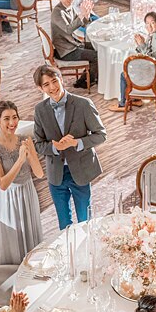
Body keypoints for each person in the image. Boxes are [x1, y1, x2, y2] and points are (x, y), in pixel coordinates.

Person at [32, 64, 106, 229]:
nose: (52, 87)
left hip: (80, 171)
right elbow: (38, 144)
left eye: (54, 81)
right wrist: (54, 147)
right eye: (46, 84)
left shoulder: (83, 104)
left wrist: (77, 143)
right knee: (64, 225)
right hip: (56, 174)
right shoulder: (40, 110)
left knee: (85, 222)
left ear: (61, 79)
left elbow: (101, 134)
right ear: (40, 88)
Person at [0, 100, 44, 266]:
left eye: (15, 117)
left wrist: (30, 153)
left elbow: (39, 173)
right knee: (13, 243)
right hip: (8, 200)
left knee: (31, 237)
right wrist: (20, 159)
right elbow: (3, 184)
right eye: (6, 119)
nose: (12, 123)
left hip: (28, 193)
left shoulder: (25, 140)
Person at [110, 10, 156, 112]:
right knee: (131, 69)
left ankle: (123, 104)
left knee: (124, 75)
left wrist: (141, 44)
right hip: (154, 72)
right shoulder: (154, 35)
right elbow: (149, 54)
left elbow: (152, 61)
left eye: (152, 23)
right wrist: (142, 43)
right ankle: (136, 100)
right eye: (147, 23)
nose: (149, 26)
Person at [51, 0, 98, 87]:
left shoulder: (70, 7)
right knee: (96, 56)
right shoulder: (57, 12)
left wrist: (87, 15)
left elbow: (82, 23)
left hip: (73, 45)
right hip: (65, 51)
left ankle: (85, 78)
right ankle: (86, 81)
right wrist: (81, 14)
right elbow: (68, 29)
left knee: (96, 47)